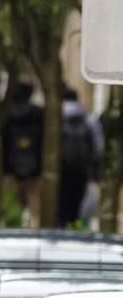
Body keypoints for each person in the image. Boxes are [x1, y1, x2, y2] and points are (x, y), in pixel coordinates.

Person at [59, 86, 104, 228]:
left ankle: (60, 228)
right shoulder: (87, 118)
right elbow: (98, 146)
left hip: (60, 169)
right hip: (81, 170)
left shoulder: (55, 118)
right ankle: (74, 229)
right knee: (77, 204)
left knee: (61, 204)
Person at [2, 82, 43, 223]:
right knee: (35, 212)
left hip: (11, 169)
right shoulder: (38, 114)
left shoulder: (7, 113)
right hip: (34, 170)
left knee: (12, 209)